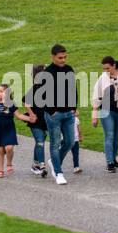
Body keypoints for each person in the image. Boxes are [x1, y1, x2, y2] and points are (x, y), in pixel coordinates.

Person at [36, 44, 77, 186]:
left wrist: (74, 107)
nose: (63, 60)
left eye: (65, 57)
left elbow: (73, 89)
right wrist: (52, 110)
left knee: (70, 141)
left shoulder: (69, 69)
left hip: (68, 113)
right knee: (55, 143)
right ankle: (59, 173)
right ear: (53, 57)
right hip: (54, 114)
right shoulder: (46, 73)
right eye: (60, 58)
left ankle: (54, 161)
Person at [91, 56, 118, 172]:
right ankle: (109, 162)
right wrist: (94, 115)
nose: (106, 71)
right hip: (106, 110)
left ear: (114, 65)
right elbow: (96, 96)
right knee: (109, 135)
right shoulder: (102, 78)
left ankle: (113, 159)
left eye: (108, 68)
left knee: (116, 136)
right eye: (104, 69)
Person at [0, 83, 20, 178]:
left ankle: (9, 163)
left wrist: (29, 118)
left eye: (1, 91)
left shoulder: (11, 104)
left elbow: (19, 115)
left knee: (9, 148)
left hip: (9, 129)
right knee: (1, 150)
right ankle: (0, 169)